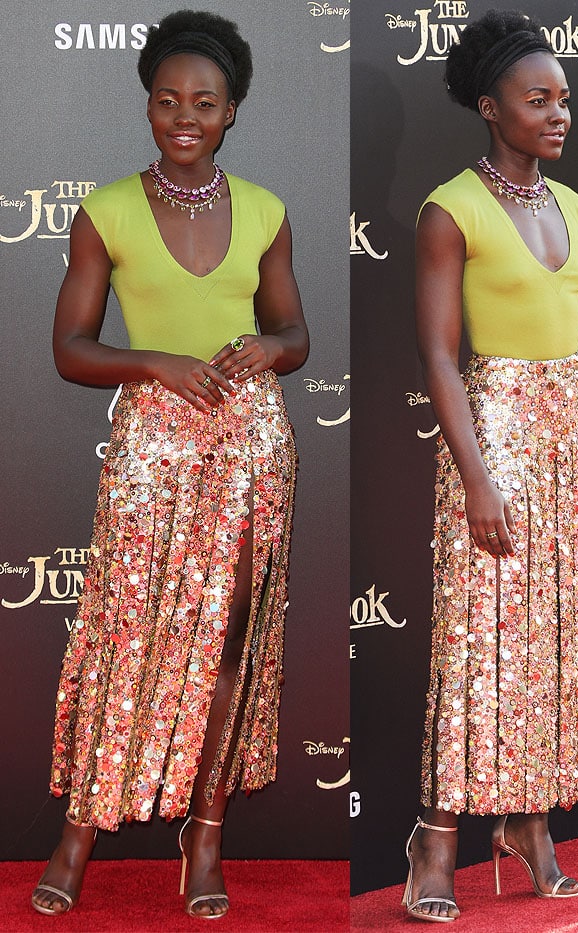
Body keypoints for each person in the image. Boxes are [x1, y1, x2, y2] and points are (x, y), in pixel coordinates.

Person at [31, 10, 308, 920]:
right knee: (124, 632)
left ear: (233, 111)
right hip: (152, 450)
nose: (184, 116)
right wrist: (153, 361)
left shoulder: (266, 209)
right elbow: (72, 348)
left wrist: (268, 350)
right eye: (167, 100)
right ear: (147, 105)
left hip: (251, 449)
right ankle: (80, 830)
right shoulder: (105, 210)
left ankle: (207, 833)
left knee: (227, 648)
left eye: (205, 102)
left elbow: (297, 334)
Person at [405, 10, 578, 922]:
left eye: (564, 100)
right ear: (489, 107)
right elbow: (438, 356)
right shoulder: (449, 209)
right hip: (496, 441)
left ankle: (528, 825)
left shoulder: (575, 207)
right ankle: (434, 838)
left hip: (574, 445)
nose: (558, 114)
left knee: (556, 642)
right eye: (537, 99)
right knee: (481, 643)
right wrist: (474, 477)